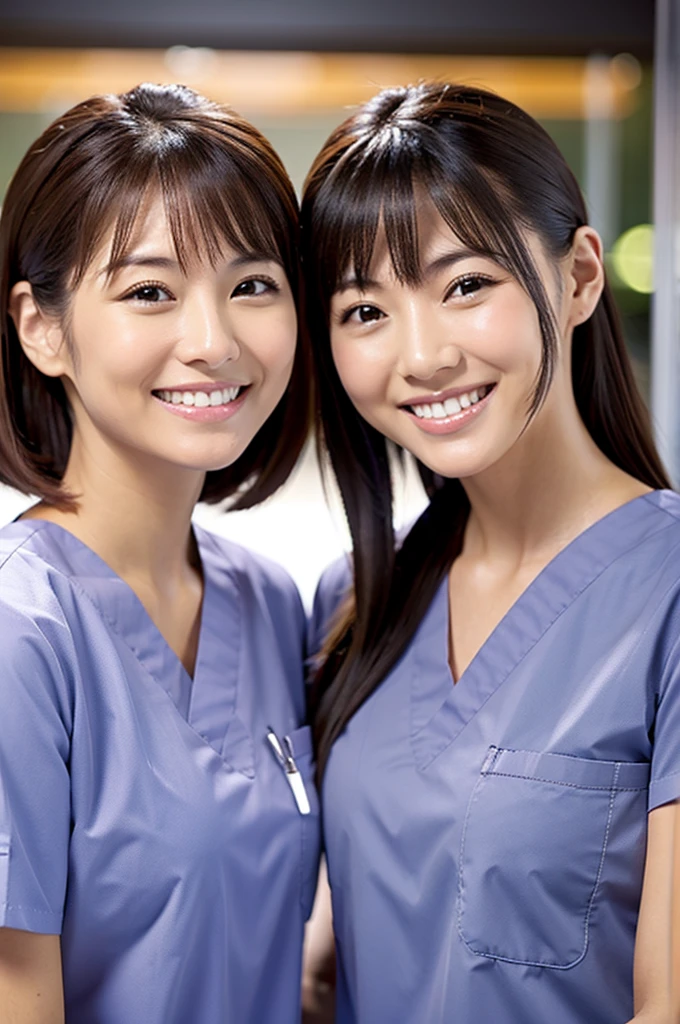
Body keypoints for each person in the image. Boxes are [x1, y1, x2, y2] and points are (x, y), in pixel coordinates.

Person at [300, 82, 679, 1024]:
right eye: (364, 312)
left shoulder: (664, 590)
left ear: (580, 277)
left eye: (466, 284)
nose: (420, 355)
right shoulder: (356, 603)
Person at [0, 82, 319, 1023]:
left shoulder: (268, 604)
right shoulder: (22, 636)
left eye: (252, 285)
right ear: (42, 328)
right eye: (150, 292)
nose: (213, 341)